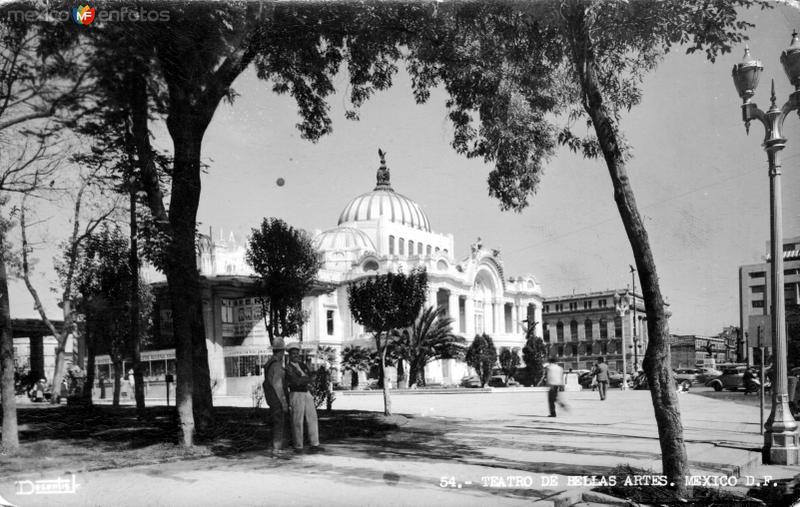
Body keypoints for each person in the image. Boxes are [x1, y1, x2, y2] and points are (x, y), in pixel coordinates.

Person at [285, 342, 322, 453]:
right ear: (289, 355)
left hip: (306, 392)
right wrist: (308, 379)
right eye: (293, 354)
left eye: (297, 353)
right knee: (297, 420)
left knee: (312, 417)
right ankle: (298, 446)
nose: (296, 355)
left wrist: (307, 378)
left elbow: (309, 377)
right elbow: (295, 382)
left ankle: (314, 443)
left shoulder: (303, 365)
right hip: (296, 393)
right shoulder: (288, 367)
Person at [263, 338, 290, 455]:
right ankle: (276, 449)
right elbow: (278, 385)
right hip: (276, 398)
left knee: (275, 421)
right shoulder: (277, 364)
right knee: (279, 422)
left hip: (270, 397)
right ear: (281, 351)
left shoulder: (269, 363)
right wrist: (284, 403)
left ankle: (274, 447)